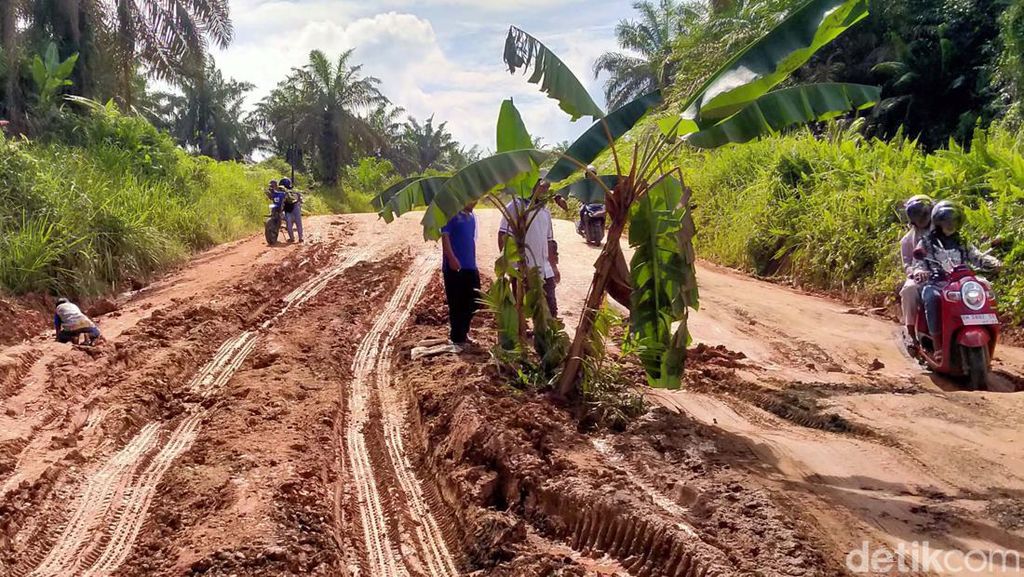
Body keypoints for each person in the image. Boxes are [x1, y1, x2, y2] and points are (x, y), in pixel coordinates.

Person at [911, 200, 1001, 354]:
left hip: (962, 282)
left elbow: (977, 256)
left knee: (986, 290)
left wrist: (995, 263)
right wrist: (920, 271)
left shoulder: (962, 241)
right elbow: (918, 262)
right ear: (938, 221)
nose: (950, 224)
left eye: (954, 221)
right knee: (931, 296)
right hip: (937, 282)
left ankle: (989, 332)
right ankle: (938, 344)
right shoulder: (926, 242)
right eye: (946, 221)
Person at [498, 176, 561, 317]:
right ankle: (522, 334)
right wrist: (508, 263)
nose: (545, 189)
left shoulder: (545, 211)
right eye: (542, 185)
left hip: (544, 268)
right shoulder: (517, 206)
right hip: (523, 266)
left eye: (547, 186)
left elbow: (549, 241)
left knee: (550, 308)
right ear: (532, 184)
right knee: (522, 305)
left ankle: (545, 335)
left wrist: (554, 266)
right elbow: (503, 234)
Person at [441, 202, 480, 346]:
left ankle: (464, 331)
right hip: (455, 267)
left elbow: (471, 241)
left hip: (470, 265)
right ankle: (457, 337)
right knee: (457, 303)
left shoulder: (471, 217)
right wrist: (451, 258)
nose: (475, 202)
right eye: (473, 199)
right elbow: (445, 237)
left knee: (474, 300)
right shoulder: (451, 214)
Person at [899, 195, 933, 348]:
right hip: (923, 276)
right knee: (909, 290)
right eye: (917, 216)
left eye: (924, 214)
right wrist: (915, 272)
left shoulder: (945, 230)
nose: (922, 219)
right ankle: (911, 332)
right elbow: (907, 263)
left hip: (949, 274)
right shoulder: (907, 240)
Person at [281, 177, 304, 243]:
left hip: (288, 209)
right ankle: (300, 238)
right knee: (298, 223)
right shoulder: (295, 191)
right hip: (296, 207)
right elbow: (301, 200)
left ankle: (292, 238)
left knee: (289, 224)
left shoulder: (282, 192)